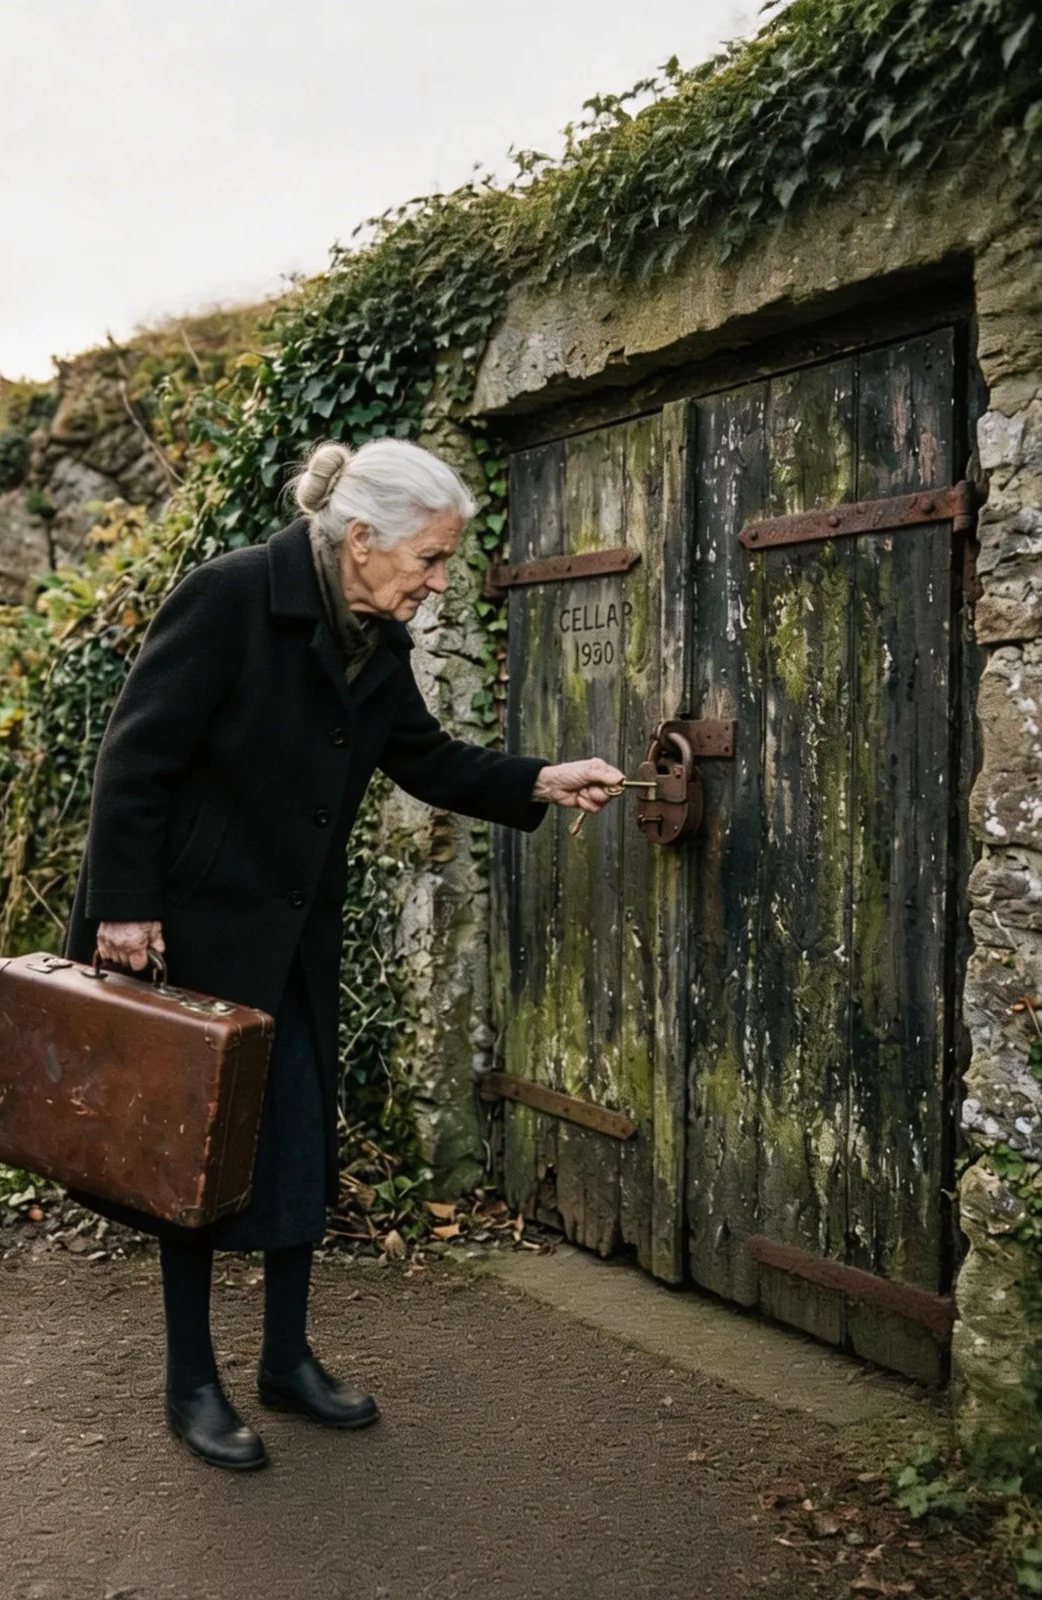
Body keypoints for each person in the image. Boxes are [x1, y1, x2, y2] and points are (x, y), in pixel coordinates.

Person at [62, 436, 625, 1470]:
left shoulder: (377, 639)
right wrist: (125, 911)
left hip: (290, 931)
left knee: (296, 1144)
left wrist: (543, 779)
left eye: (447, 561)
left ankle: (285, 1359)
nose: (441, 580)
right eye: (431, 558)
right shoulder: (230, 597)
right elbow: (134, 756)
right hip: (187, 928)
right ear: (362, 539)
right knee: (190, 1158)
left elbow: (423, 756)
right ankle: (192, 1380)